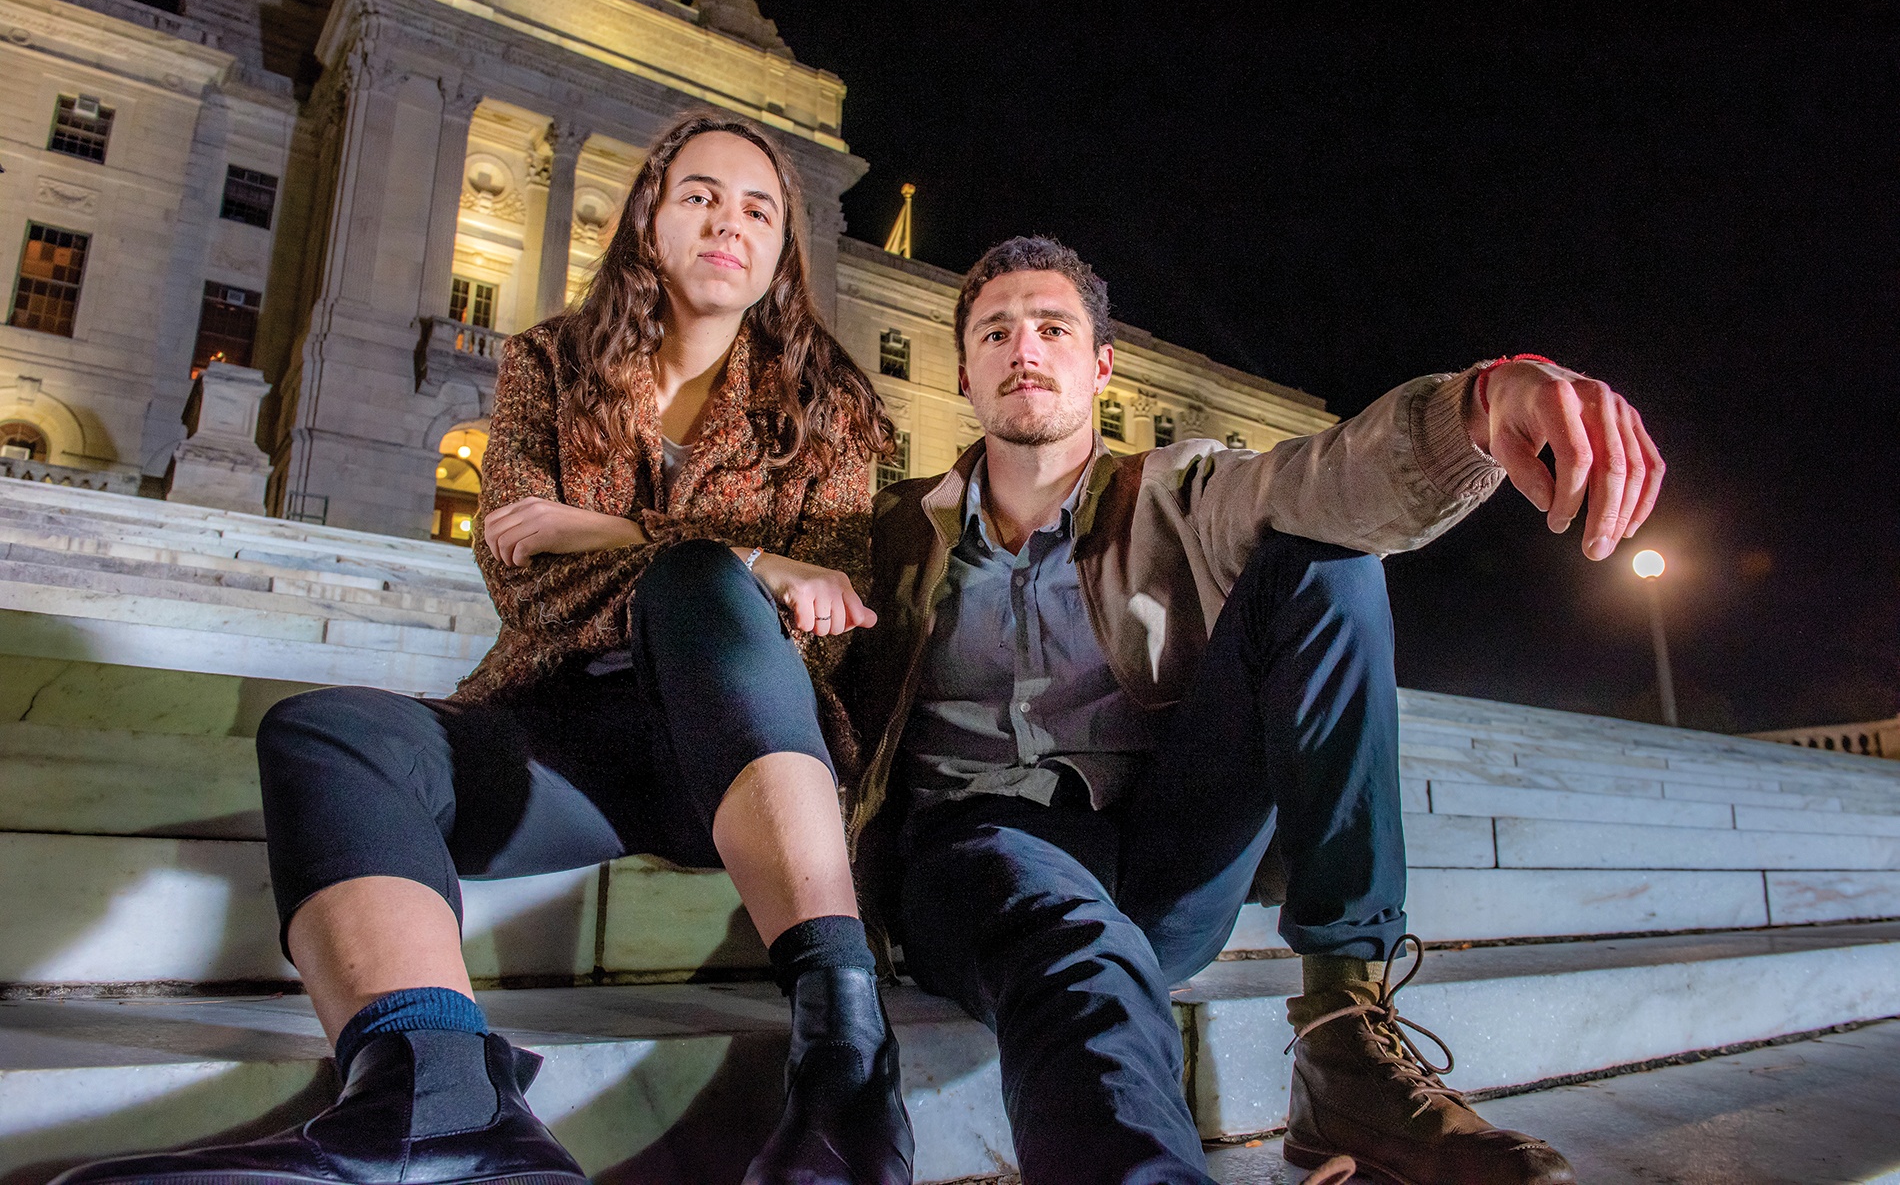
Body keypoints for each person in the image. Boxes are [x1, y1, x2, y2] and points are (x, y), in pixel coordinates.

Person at [52, 114, 913, 1185]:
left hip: (743, 760)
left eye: (758, 208)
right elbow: (519, 568)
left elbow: (816, 628)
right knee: (328, 730)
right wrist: (748, 553)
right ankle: (439, 1097)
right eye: (699, 194)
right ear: (647, 215)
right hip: (565, 737)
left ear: (784, 249)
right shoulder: (547, 361)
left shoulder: (831, 409)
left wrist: (647, 549)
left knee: (700, 591)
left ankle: (845, 1060)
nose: (727, 223)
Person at [843, 236, 1663, 1185]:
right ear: (965, 370)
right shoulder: (891, 532)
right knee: (1064, 939)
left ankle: (1346, 1041)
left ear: (1101, 365)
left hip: (1155, 854)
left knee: (1325, 556)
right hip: (977, 862)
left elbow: (1321, 480)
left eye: (1052, 328)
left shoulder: (1175, 493)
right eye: (996, 332)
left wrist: (1484, 401)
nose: (1024, 348)